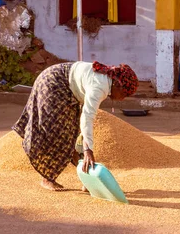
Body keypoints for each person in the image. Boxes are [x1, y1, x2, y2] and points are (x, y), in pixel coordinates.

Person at [12, 60, 138, 191]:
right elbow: (87, 117)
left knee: (72, 132)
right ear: (117, 84)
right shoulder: (99, 87)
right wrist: (88, 150)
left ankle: (87, 179)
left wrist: (84, 144)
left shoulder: (106, 80)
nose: (122, 98)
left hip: (66, 88)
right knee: (57, 131)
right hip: (53, 83)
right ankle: (47, 178)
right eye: (124, 94)